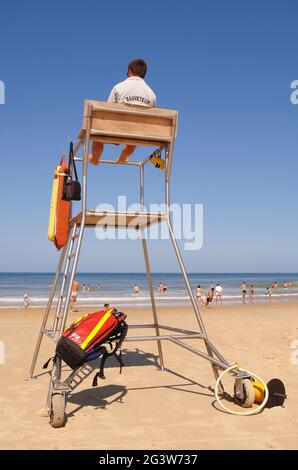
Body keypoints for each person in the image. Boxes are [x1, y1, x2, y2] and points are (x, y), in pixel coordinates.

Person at [89, 58, 156, 165]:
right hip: (138, 134)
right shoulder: (151, 94)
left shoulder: (118, 87)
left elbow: (108, 110)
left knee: (97, 137)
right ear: (144, 74)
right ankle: (124, 156)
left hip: (118, 130)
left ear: (129, 71)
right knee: (133, 141)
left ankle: (95, 158)